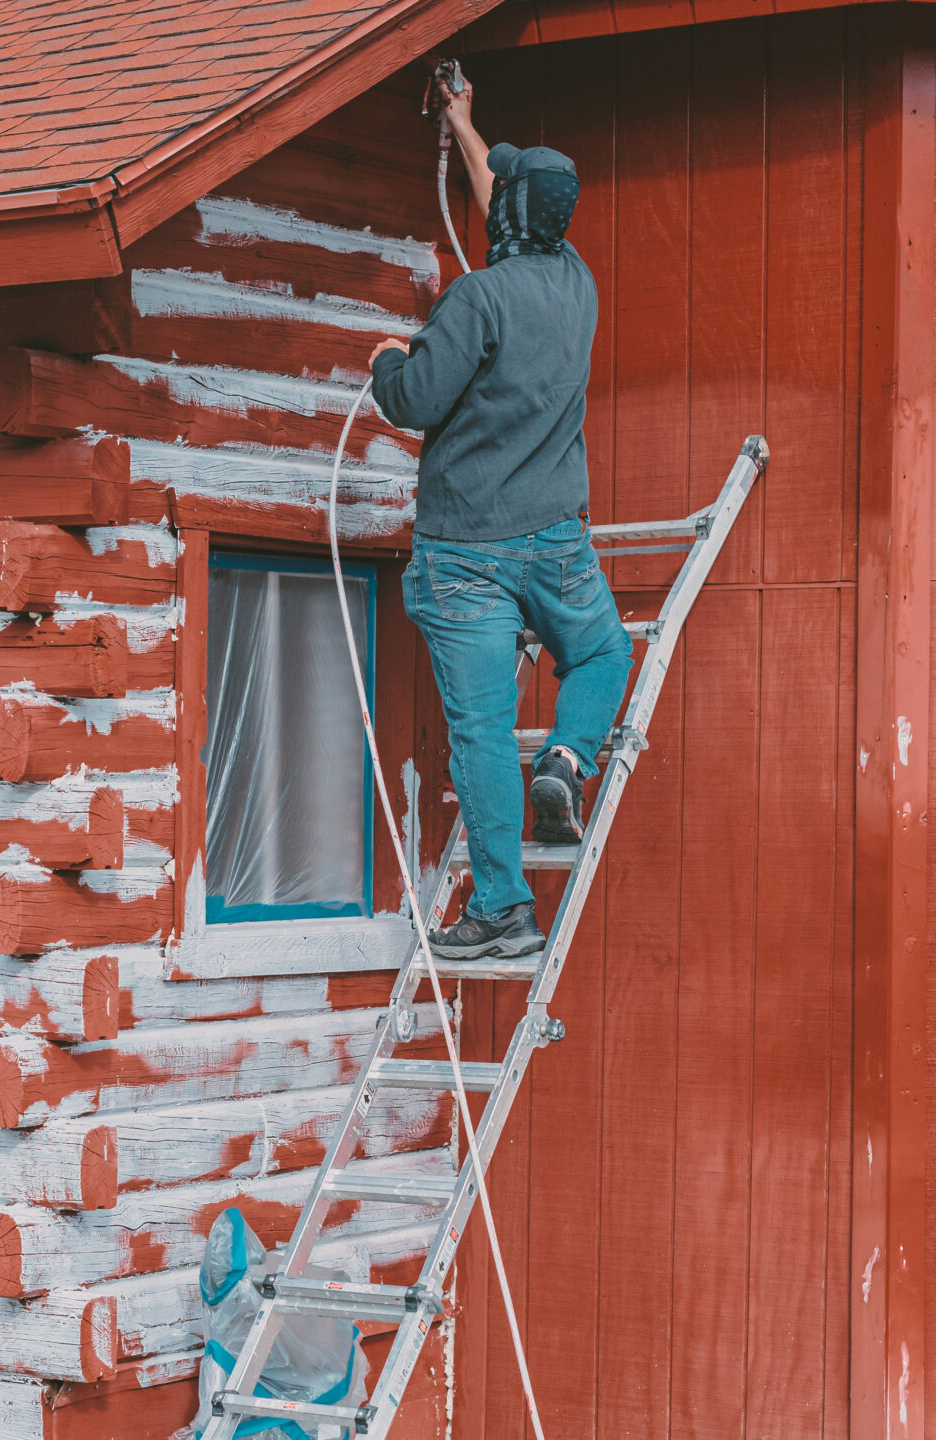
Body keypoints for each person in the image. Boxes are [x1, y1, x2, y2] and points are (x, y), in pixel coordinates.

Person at [367, 77, 631, 963]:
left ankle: (504, 913)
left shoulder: (476, 299)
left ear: (511, 215)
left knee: (481, 731)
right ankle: (566, 760)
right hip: (555, 542)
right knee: (601, 652)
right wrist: (465, 124)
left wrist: (387, 357)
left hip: (465, 559)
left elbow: (411, 401)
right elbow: (505, 198)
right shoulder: (577, 284)